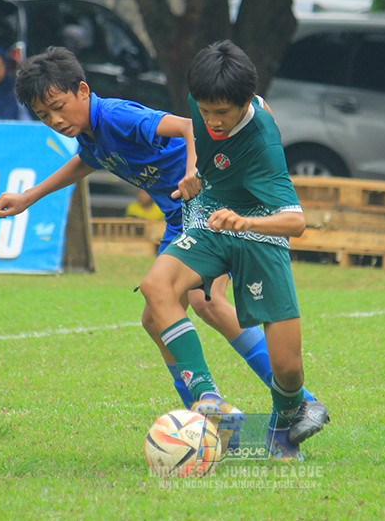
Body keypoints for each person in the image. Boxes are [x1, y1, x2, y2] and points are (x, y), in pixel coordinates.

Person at [0, 46, 324, 440]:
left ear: (82, 90)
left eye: (58, 107)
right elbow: (89, 160)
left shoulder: (116, 115)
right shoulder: (92, 132)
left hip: (200, 205)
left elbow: (187, 126)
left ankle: (250, 403)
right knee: (158, 315)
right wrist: (30, 196)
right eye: (43, 115)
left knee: (202, 303)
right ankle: (213, 415)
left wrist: (193, 171)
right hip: (180, 215)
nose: (55, 120)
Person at [139, 40, 329, 461]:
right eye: (205, 111)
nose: (212, 121)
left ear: (244, 103)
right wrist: (195, 175)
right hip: (210, 221)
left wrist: (247, 221)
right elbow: (201, 143)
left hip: (261, 236)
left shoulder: (263, 142)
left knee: (288, 368)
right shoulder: (203, 100)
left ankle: (283, 423)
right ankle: (208, 398)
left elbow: (296, 222)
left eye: (221, 113)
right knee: (157, 288)